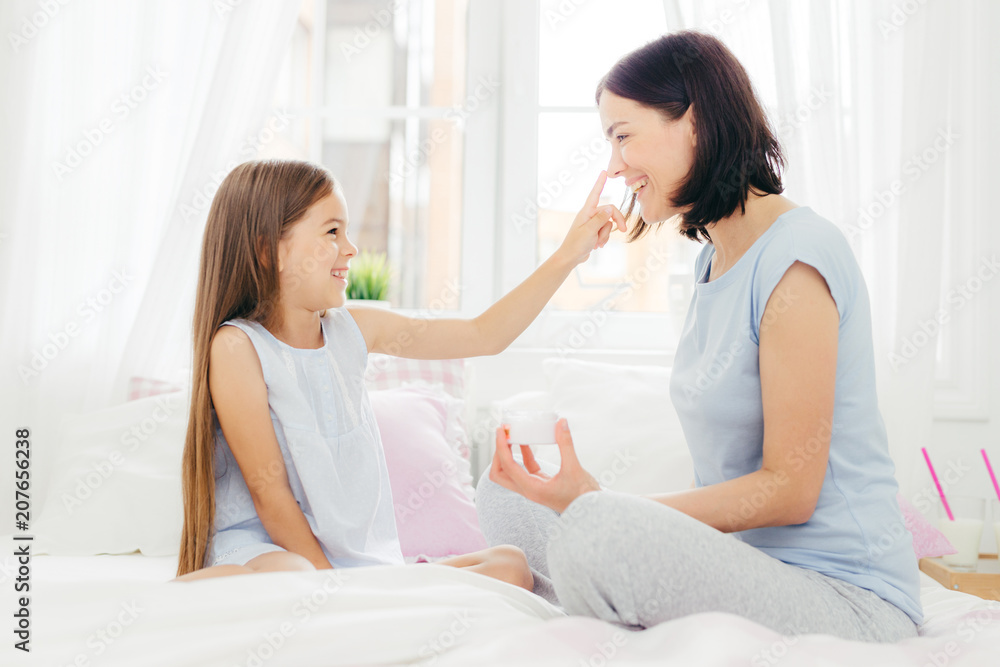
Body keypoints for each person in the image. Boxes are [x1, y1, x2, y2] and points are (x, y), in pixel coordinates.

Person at [476, 31, 923, 642]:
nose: (613, 166)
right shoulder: (710, 261)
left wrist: (604, 510)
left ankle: (592, 578)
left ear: (696, 122)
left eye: (623, 135)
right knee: (508, 497)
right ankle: (590, 579)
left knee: (595, 530)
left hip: (843, 596)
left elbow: (790, 491)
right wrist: (592, 507)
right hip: (748, 569)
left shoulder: (796, 260)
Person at [174, 159, 626, 585]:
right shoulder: (237, 347)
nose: (350, 249)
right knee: (294, 576)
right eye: (332, 231)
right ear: (267, 250)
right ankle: (223, 591)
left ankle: (361, 597)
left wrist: (570, 253)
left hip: (352, 564)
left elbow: (483, 335)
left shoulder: (356, 330)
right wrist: (333, 584)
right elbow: (270, 497)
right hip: (269, 551)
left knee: (510, 565)